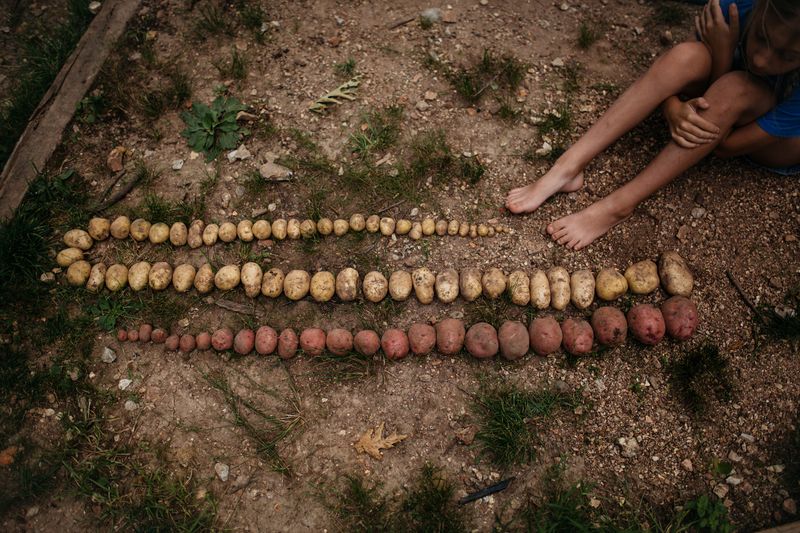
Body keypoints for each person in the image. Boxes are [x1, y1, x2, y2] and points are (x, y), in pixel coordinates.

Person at [505, 0, 800, 250]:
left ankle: (618, 206)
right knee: (687, 56)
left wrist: (723, 55)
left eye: (788, 57)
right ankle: (568, 167)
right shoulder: (738, 7)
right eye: (761, 38)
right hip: (719, 104)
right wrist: (672, 107)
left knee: (736, 87)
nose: (762, 59)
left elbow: (722, 144)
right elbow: (679, 76)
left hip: (769, 143)